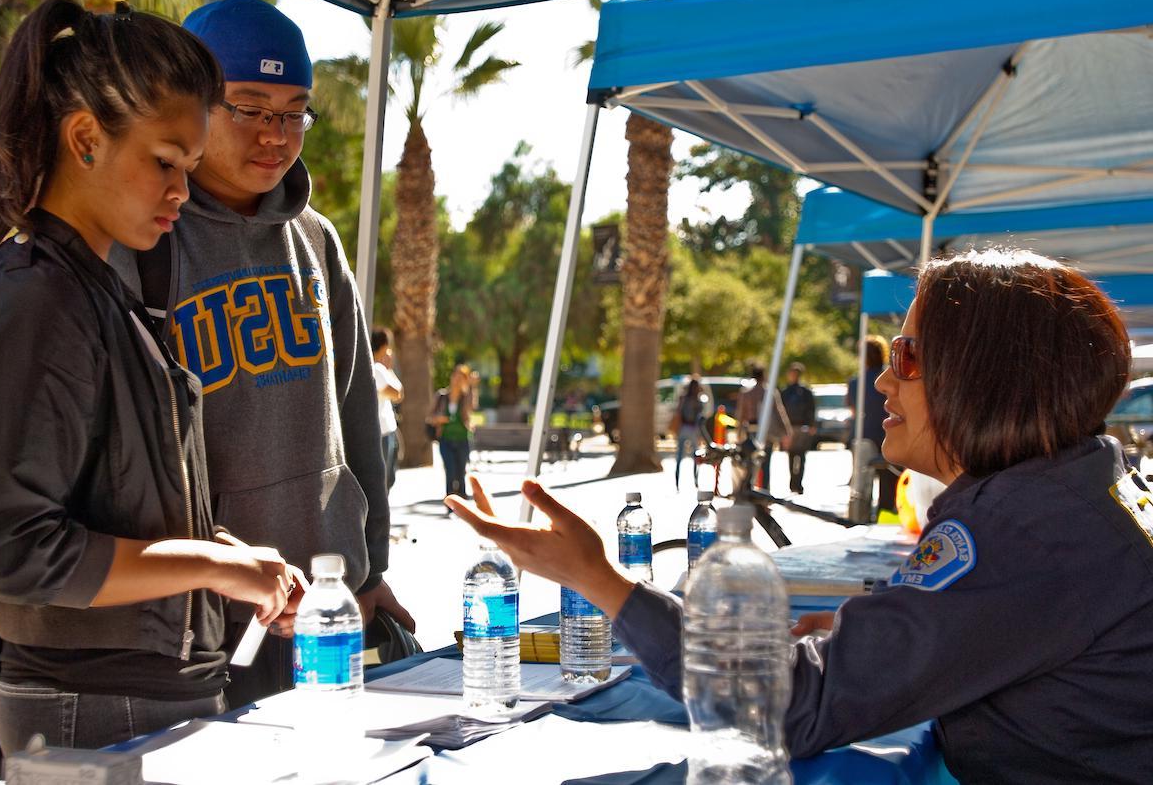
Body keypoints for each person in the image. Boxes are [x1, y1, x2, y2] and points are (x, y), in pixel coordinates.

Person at [447, 249, 1153, 783]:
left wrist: (598, 579)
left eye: (906, 357)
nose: (882, 377)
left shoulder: (1025, 529)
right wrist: (876, 626)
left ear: (983, 376)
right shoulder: (1074, 488)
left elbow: (787, 708)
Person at [0, 0, 303, 753]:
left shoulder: (98, 285)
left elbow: (123, 505)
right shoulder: (36, 294)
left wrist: (233, 560)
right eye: (166, 162)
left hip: (140, 700)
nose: (183, 189)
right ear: (84, 137)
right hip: (89, 709)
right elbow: (16, 550)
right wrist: (213, 563)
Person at [108, 0, 413, 708]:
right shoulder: (141, 244)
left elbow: (356, 417)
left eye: (293, 110)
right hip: (201, 630)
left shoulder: (318, 241)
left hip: (329, 613)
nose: (274, 134)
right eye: (249, 106)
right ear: (191, 107)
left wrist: (368, 573)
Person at [847, 335, 899, 519]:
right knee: (889, 483)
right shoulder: (892, 378)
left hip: (864, 435)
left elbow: (854, 410)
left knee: (861, 484)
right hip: (890, 434)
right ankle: (885, 518)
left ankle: (859, 520)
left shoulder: (855, 382)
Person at [736, 363, 790, 492]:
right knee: (765, 462)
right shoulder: (769, 392)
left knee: (752, 462)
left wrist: (739, 432)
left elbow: (740, 414)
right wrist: (786, 431)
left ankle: (750, 487)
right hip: (767, 432)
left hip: (752, 431)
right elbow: (779, 412)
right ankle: (764, 490)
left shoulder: (747, 394)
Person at [430, 363, 478, 499]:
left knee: (461, 472)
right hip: (445, 439)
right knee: (450, 470)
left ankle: (462, 501)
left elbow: (472, 407)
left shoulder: (465, 397)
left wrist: (472, 387)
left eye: (461, 377)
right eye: (455, 376)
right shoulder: (441, 396)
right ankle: (450, 502)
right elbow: (430, 417)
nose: (457, 379)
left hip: (462, 438)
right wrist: (438, 419)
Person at [372, 328, 404, 491]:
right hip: (383, 432)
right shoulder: (377, 369)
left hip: (385, 431)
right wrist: (389, 368)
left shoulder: (373, 368)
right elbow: (397, 393)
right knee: (385, 479)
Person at [780, 362, 816, 494]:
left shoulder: (805, 392)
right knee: (791, 456)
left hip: (802, 427)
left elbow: (811, 409)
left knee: (801, 456)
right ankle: (792, 483)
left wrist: (811, 424)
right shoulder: (785, 392)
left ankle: (798, 483)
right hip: (790, 428)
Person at [671, 377, 707, 490]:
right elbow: (700, 418)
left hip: (683, 428)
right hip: (693, 429)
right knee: (695, 456)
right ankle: (695, 481)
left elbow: (678, 412)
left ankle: (677, 482)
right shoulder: (698, 400)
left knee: (679, 457)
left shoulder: (683, 399)